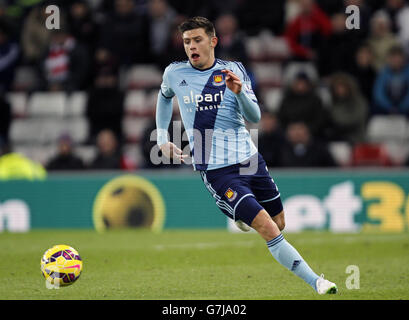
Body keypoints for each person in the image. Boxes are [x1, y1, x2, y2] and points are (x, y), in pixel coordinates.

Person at [155, 16, 337, 294]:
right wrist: (163, 136)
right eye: (187, 41)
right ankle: (318, 282)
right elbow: (164, 96)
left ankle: (239, 216)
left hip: (250, 160)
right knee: (268, 228)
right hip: (217, 171)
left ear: (213, 41)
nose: (191, 46)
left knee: (280, 222)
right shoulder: (174, 73)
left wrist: (239, 93)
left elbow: (255, 115)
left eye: (197, 40)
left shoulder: (233, 70)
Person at [372, 45, 409, 116]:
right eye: (393, 58)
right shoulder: (383, 72)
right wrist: (389, 107)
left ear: (403, 59)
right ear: (389, 59)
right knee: (375, 106)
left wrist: (402, 107)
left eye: (398, 58)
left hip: (404, 107)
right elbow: (378, 93)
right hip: (387, 107)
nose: (396, 60)